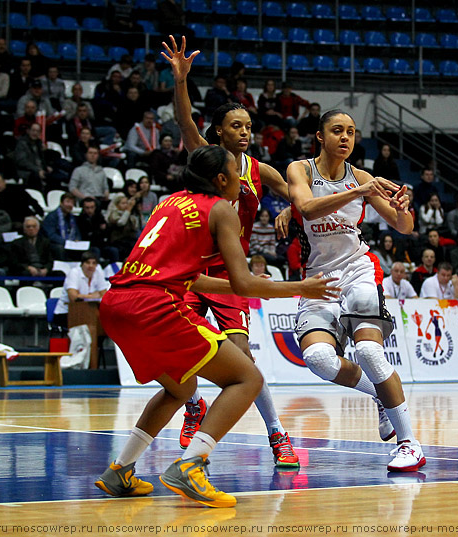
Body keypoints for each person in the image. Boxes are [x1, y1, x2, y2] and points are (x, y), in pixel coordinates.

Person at [93, 144, 338, 507]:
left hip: (117, 304)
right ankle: (191, 465)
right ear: (221, 179)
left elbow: (195, 280)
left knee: (180, 389)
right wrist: (300, 287)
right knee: (247, 378)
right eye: (236, 173)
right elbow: (244, 284)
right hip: (153, 305)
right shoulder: (221, 208)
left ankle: (120, 470)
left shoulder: (170, 202)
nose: (243, 179)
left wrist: (259, 286)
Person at [165, 37, 304, 464]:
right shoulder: (206, 158)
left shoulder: (261, 170)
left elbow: (304, 198)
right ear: (219, 131)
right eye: (236, 126)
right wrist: (181, 81)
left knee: (243, 360)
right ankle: (192, 406)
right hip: (190, 269)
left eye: (248, 126)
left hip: (230, 276)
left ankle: (277, 434)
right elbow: (184, 119)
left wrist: (293, 215)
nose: (245, 132)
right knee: (173, 352)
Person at [287, 107, 425, 472]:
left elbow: (403, 226)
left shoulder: (360, 176)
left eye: (350, 131)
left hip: (359, 270)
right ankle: (378, 394)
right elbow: (307, 208)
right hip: (318, 278)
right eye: (337, 131)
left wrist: (402, 208)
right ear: (320, 136)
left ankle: (410, 443)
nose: (345, 137)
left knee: (368, 350)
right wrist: (361, 190)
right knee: (318, 359)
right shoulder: (300, 170)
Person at [52, 251, 109, 328]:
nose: (91, 266)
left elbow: (105, 295)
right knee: (92, 322)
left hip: (88, 312)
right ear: (82, 264)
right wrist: (93, 295)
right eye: (88, 263)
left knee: (107, 321)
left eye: (94, 263)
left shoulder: (98, 272)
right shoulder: (74, 273)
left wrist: (82, 295)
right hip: (65, 313)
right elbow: (73, 297)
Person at [42, 193, 81, 260]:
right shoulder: (51, 217)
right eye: (67, 201)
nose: (70, 205)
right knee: (60, 249)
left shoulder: (72, 218)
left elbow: (77, 232)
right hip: (55, 243)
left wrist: (77, 239)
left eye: (72, 203)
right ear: (61, 203)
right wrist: (66, 242)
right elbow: (51, 235)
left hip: (69, 243)